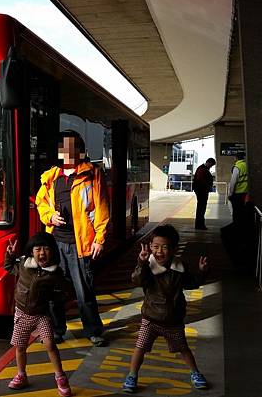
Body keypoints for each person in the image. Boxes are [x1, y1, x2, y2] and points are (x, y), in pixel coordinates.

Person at [36, 130, 109, 346]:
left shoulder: (92, 174)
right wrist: (50, 217)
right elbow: (41, 204)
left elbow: (102, 209)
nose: (68, 152)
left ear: (80, 151)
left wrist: (99, 239)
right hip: (55, 244)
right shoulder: (51, 177)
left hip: (80, 244)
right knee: (54, 291)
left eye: (73, 148)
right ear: (60, 151)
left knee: (84, 292)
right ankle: (57, 331)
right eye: (64, 148)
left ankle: (93, 330)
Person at [122, 224, 210, 393]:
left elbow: (192, 283)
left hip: (173, 320)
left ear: (175, 249)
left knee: (184, 349)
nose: (159, 251)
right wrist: (141, 262)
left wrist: (202, 272)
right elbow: (137, 280)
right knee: (140, 348)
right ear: (150, 247)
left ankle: (195, 373)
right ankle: (132, 376)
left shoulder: (180, 268)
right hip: (150, 319)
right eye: (155, 247)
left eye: (164, 247)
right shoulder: (147, 267)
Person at [4, 232, 71, 397]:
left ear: (53, 252)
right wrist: (10, 255)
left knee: (50, 344)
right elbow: (8, 266)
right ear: (31, 252)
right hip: (21, 313)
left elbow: (66, 290)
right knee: (20, 347)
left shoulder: (54, 273)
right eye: (38, 249)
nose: (42, 253)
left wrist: (54, 297)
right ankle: (21, 376)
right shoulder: (24, 265)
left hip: (41, 315)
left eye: (46, 249)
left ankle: (61, 378)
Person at [192, 157, 216, 230]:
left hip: (201, 191)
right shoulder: (202, 169)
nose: (211, 167)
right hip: (201, 191)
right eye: (211, 165)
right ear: (208, 162)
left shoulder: (203, 169)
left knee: (201, 208)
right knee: (201, 208)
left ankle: (199, 225)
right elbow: (200, 179)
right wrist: (207, 186)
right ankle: (200, 225)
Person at [228, 152, 248, 229]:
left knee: (236, 212)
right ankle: (242, 228)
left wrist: (230, 194)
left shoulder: (237, 167)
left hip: (238, 194)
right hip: (245, 193)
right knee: (243, 212)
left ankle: (236, 228)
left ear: (236, 158)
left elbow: (233, 182)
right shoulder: (246, 165)